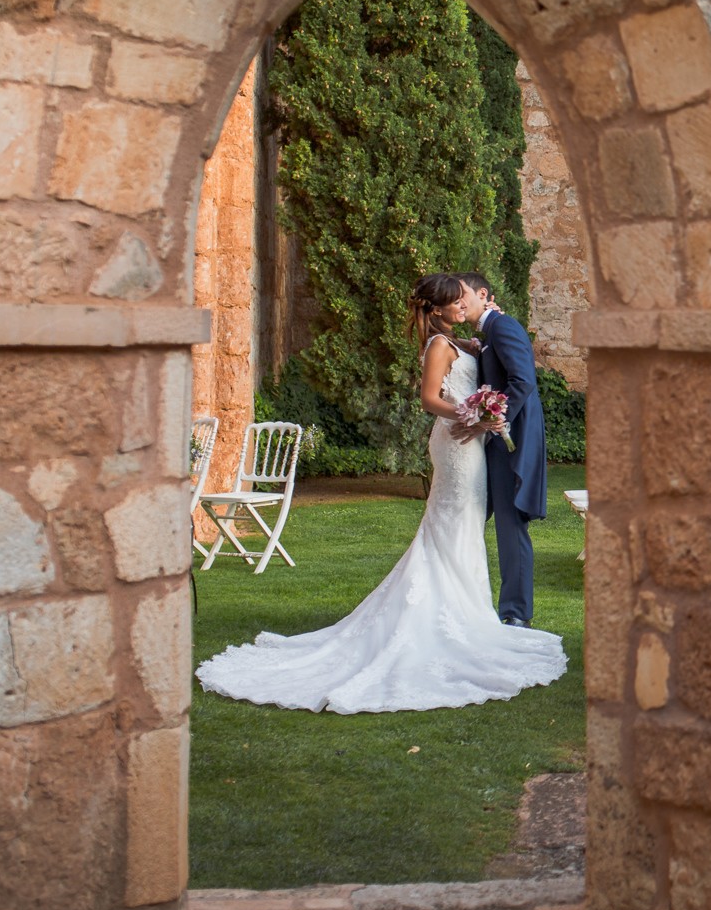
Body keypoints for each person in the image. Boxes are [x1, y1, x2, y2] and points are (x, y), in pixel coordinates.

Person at [195, 274, 567, 713]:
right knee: (453, 523)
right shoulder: (440, 346)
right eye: (452, 303)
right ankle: (457, 614)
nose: (459, 307)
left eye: (461, 300)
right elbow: (431, 399)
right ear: (437, 311)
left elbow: (494, 368)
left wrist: (479, 390)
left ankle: (477, 611)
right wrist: (472, 415)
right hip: (458, 442)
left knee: (462, 524)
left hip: (469, 442)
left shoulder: (463, 341)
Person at [452, 272, 547, 628]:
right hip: (494, 441)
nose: (459, 304)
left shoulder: (503, 327)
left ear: (483, 294)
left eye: (463, 296)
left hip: (512, 441)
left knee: (511, 525)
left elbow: (523, 381)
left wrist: (496, 420)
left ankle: (515, 613)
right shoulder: (489, 333)